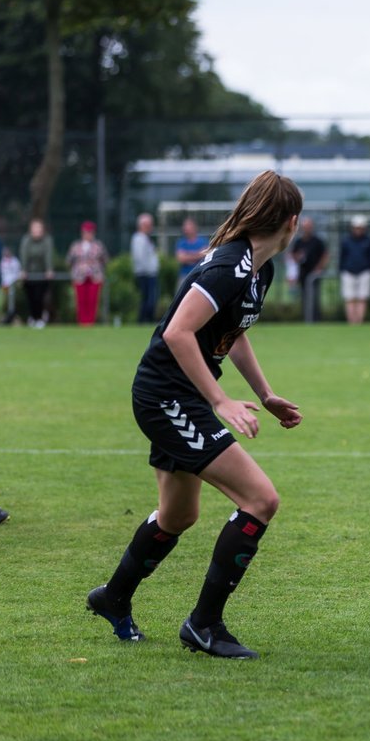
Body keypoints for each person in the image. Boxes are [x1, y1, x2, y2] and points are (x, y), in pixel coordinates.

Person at [85, 170, 303, 659]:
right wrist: (221, 401)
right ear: (292, 221)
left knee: (179, 515)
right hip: (168, 396)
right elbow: (179, 334)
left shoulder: (257, 270)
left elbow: (234, 330)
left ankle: (113, 596)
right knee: (260, 499)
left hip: (180, 395)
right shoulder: (229, 265)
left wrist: (264, 394)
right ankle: (204, 625)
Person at [67, 221, 108, 326]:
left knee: (92, 300)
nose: (88, 234)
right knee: (81, 300)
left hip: (95, 276)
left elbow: (105, 260)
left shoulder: (98, 245)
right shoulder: (76, 246)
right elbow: (69, 260)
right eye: (86, 232)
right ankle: (82, 322)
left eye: (90, 232)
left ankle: (90, 322)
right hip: (79, 277)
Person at [340, 215, 370, 325]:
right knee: (350, 298)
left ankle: (359, 322)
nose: (358, 230)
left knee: (362, 298)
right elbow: (342, 257)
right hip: (348, 271)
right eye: (356, 228)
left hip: (365, 272)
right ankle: (351, 323)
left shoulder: (368, 241)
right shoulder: (346, 241)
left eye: (360, 228)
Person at [291, 217, 329, 322]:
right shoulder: (299, 241)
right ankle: (306, 318)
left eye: (308, 227)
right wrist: (297, 257)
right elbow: (293, 255)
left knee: (314, 297)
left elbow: (325, 255)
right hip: (303, 274)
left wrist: (319, 268)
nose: (306, 229)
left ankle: (316, 319)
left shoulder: (317, 241)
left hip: (314, 275)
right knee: (304, 297)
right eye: (305, 227)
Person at [18, 219, 53, 328]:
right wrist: (23, 270)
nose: (36, 231)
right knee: (31, 297)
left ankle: (40, 318)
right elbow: (24, 255)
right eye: (34, 228)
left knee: (40, 297)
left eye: (39, 228)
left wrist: (49, 269)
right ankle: (32, 317)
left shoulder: (47, 240)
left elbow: (48, 255)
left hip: (42, 274)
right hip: (29, 274)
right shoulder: (26, 240)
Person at [131, 213, 161, 324]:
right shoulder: (139, 238)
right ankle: (144, 320)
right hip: (145, 274)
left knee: (150, 298)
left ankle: (146, 319)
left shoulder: (145, 238)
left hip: (149, 273)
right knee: (147, 299)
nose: (151, 227)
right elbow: (139, 257)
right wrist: (148, 270)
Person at [175, 217, 210, 290]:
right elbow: (181, 259)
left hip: (200, 275)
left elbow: (205, 255)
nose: (185, 228)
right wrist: (197, 254)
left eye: (187, 226)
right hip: (185, 276)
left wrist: (187, 255)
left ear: (194, 227)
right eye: (184, 226)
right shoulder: (181, 242)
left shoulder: (203, 241)